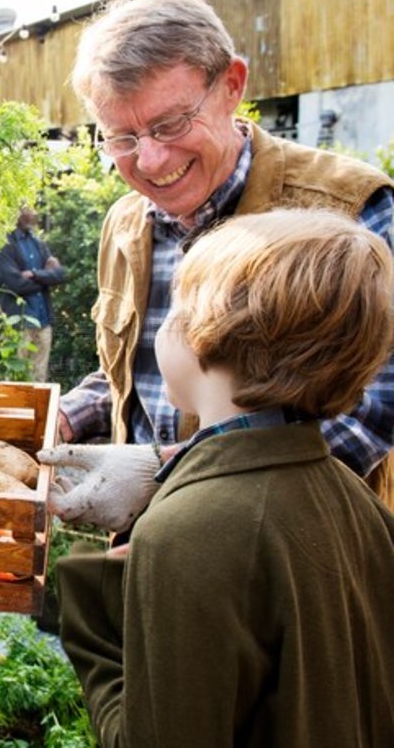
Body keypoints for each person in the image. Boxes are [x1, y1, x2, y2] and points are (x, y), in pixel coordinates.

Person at [42, 0, 394, 532]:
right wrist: (66, 418)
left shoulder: (351, 211)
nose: (152, 160)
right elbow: (139, 374)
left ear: (231, 85)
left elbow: (376, 414)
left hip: (286, 556)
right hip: (154, 542)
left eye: (170, 124)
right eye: (122, 138)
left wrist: (181, 485)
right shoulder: (124, 224)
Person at [53, 209, 394, 746]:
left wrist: (87, 603)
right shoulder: (357, 499)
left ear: (207, 335)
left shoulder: (185, 534)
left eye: (174, 309)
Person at [0, 206, 66, 382]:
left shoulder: (37, 242)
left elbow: (59, 275)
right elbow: (17, 284)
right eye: (29, 209)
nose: (35, 213)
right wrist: (45, 278)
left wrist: (34, 274)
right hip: (19, 324)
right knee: (16, 379)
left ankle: (37, 410)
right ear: (17, 213)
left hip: (43, 320)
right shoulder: (2, 245)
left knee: (39, 378)